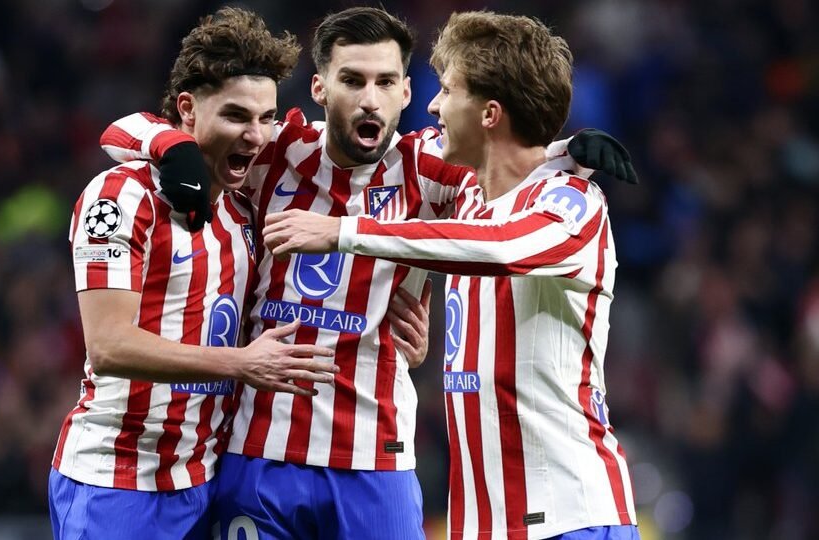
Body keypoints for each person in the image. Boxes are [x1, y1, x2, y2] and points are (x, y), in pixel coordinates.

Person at [98, 7, 635, 539]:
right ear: (320, 88)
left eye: (386, 82)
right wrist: (169, 143)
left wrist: (560, 154)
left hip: (376, 459)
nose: (369, 98)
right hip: (260, 450)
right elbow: (128, 130)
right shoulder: (275, 151)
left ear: (405, 92)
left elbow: (505, 172)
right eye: (352, 80)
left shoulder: (428, 169)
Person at [263, 11, 640, 540]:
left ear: (488, 114)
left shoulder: (573, 201)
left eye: (447, 90)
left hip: (570, 519)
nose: (434, 105)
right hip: (481, 526)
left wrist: (341, 232)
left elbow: (501, 247)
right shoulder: (466, 201)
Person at [48, 9, 338, 540]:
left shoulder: (244, 208)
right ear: (187, 108)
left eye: (266, 117)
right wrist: (241, 364)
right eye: (235, 116)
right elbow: (108, 346)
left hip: (206, 482)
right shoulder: (120, 197)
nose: (255, 136)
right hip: (118, 482)